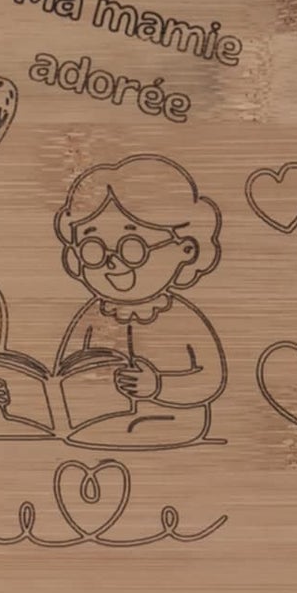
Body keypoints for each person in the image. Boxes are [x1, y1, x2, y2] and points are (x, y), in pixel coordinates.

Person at [47, 154, 227, 448]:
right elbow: (64, 375)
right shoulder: (92, 315)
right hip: (97, 422)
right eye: (92, 249)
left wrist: (159, 386)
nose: (112, 263)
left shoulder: (181, 317)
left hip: (170, 419)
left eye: (133, 248)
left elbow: (210, 380)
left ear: (186, 250)